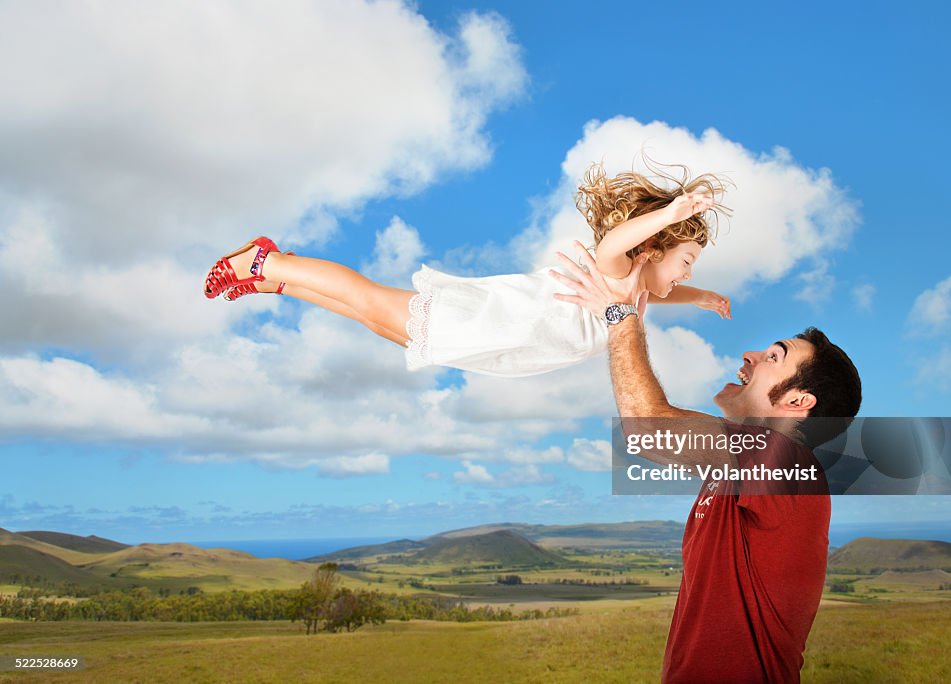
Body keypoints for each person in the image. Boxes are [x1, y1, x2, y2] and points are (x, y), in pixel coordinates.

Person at [549, 244, 862, 684]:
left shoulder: (785, 461)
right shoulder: (743, 468)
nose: (751, 355)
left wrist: (620, 315)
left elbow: (648, 428)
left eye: (775, 357)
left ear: (797, 401)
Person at [202, 162, 732, 377]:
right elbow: (618, 239)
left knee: (368, 318)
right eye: (685, 261)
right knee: (367, 300)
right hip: (481, 318)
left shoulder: (633, 297)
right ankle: (265, 259)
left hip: (488, 341)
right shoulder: (615, 269)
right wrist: (670, 212)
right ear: (653, 249)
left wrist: (703, 297)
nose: (685, 274)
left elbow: (663, 296)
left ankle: (276, 280)